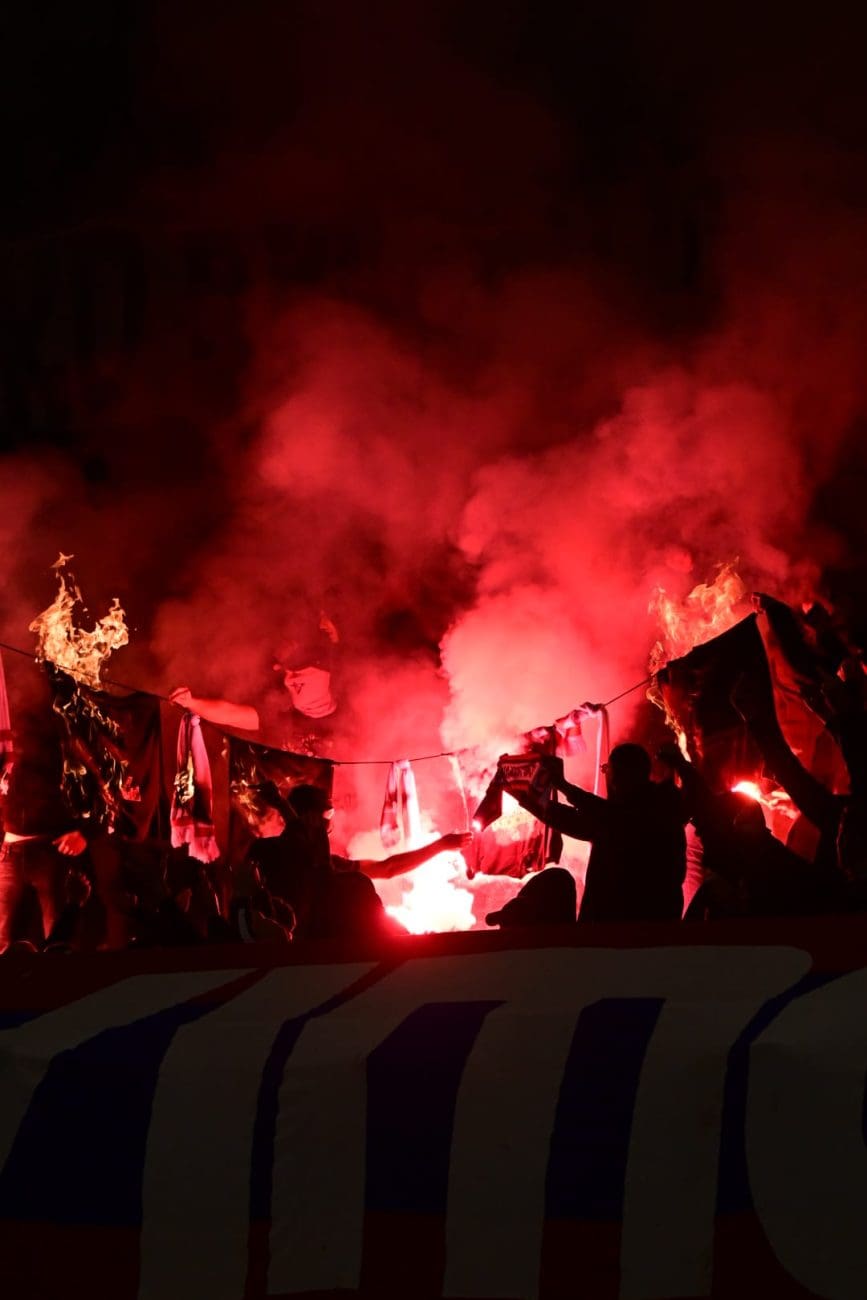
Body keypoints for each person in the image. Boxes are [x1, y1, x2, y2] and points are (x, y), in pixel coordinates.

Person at [245, 781, 471, 940]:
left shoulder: (268, 851)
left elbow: (389, 868)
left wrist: (441, 846)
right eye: (327, 814)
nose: (329, 824)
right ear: (310, 817)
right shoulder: (329, 873)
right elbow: (386, 869)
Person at [502, 744, 686, 923]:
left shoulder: (639, 815)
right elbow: (594, 816)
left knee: (555, 882)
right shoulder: (663, 808)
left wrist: (547, 789)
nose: (608, 777)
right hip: (658, 924)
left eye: (608, 769)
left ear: (621, 776)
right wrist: (530, 794)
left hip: (613, 928)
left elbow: (591, 819)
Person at [0, 675, 92, 951]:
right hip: (9, 851)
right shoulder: (7, 745)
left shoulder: (61, 743)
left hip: (49, 850)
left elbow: (96, 793)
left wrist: (84, 833)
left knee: (58, 938)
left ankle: (59, 977)